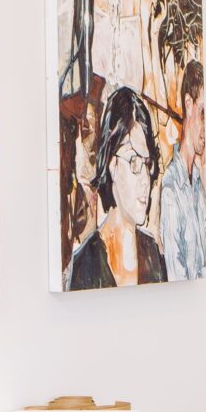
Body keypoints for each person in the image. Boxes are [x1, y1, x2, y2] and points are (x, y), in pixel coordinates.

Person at [67, 86, 168, 289]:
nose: (145, 180)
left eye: (147, 164)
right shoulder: (85, 265)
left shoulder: (153, 255)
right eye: (134, 162)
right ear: (112, 165)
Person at [161, 60, 206, 280]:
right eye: (203, 112)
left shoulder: (198, 183)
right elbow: (176, 277)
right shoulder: (171, 188)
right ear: (188, 104)